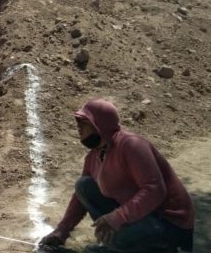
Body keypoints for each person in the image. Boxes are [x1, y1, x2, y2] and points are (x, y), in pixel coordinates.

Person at [40, 99, 195, 252]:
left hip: (168, 222)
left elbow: (155, 190)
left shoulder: (131, 145)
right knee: (83, 186)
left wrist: (117, 218)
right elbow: (79, 199)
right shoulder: (94, 156)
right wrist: (61, 231)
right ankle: (123, 243)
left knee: (113, 239)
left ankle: (159, 248)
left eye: (84, 123)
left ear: (99, 125)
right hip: (142, 216)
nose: (79, 128)